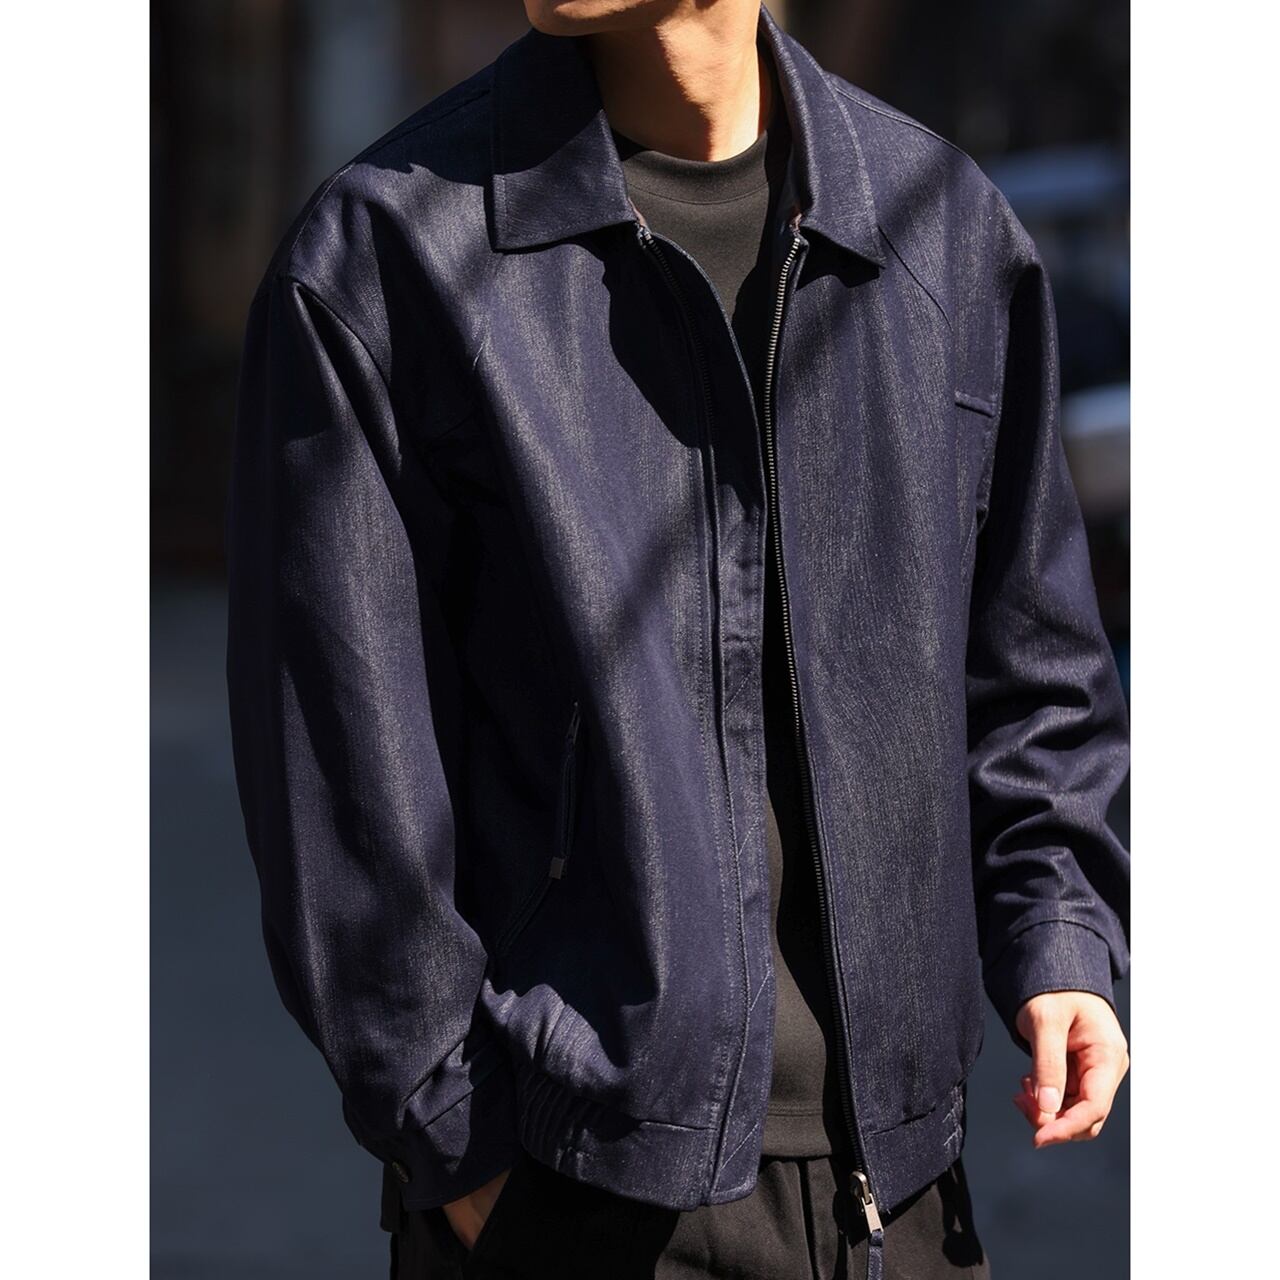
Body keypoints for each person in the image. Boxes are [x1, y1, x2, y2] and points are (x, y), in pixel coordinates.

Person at [224, 2, 1131, 1277]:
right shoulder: (388, 254)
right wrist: (464, 1151)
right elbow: (339, 780)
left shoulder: (939, 228)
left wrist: (1057, 935)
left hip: (903, 1196)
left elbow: (1033, 663)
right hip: (572, 1194)